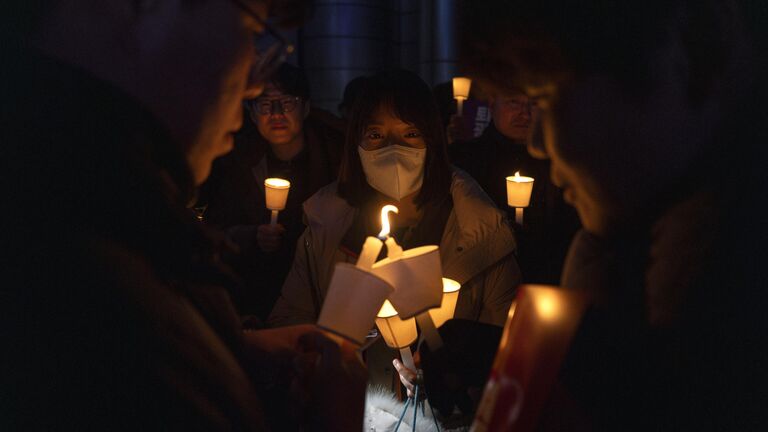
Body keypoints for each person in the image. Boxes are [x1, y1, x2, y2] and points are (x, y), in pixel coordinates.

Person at [0, 0, 365, 430]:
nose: (253, 85)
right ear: (134, 10)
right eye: (250, 30)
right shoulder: (67, 269)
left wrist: (224, 348)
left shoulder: (94, 207)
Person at [441, 0, 768, 428]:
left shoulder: (733, 297)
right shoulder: (631, 252)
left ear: (684, 52)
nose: (536, 142)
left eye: (542, 95)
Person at [268, 69, 521, 400]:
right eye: (375, 135)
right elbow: (288, 327)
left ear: (433, 140)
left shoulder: (481, 234)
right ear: (356, 143)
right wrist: (330, 356)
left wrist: (455, 368)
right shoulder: (324, 226)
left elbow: (509, 356)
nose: (393, 148)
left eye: (410, 133)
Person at [201, 63, 344, 322]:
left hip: (327, 296)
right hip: (259, 301)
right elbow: (217, 228)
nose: (276, 114)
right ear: (253, 114)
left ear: (306, 107)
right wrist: (252, 236)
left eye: (287, 103)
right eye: (265, 105)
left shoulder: (336, 158)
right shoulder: (235, 162)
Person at [450, 90, 580, 284]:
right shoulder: (464, 160)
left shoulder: (563, 164)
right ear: (492, 104)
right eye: (513, 103)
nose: (525, 114)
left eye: (533, 104)